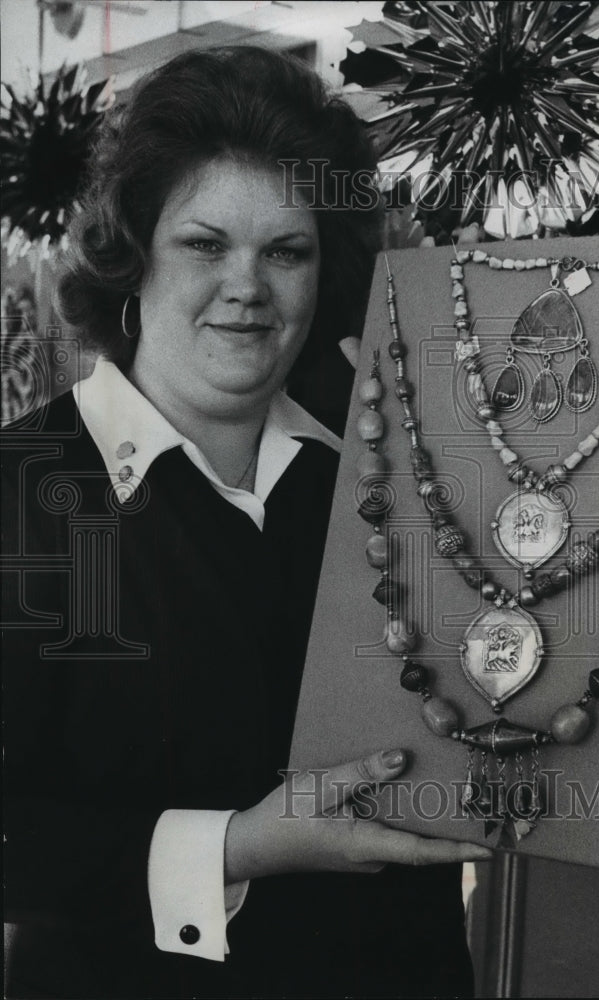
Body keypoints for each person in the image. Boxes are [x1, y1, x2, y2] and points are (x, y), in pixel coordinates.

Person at [2, 46, 492, 999]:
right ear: (132, 254)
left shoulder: (391, 474)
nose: (248, 286)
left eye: (286, 250)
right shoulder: (24, 490)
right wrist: (237, 846)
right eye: (205, 243)